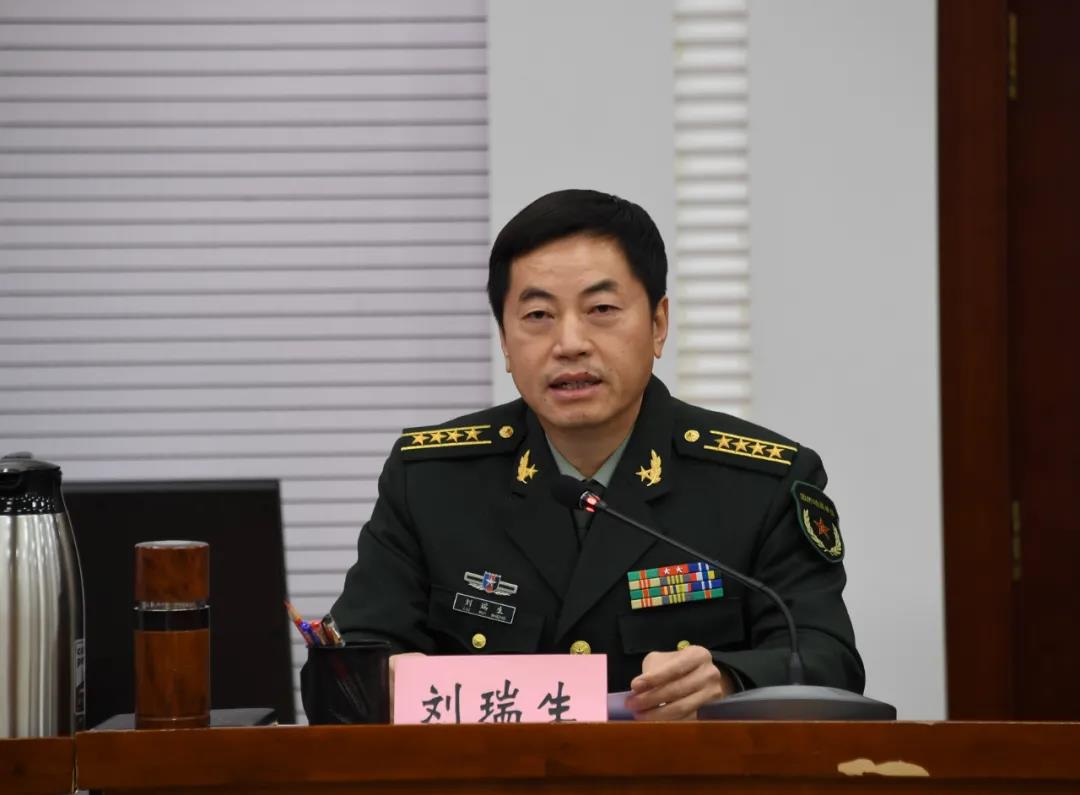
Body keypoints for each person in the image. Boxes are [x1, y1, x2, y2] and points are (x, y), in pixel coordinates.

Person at [318, 189, 864, 720]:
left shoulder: (761, 484)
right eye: (538, 315)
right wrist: (380, 679)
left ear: (658, 324)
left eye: (601, 309)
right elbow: (345, 666)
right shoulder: (431, 481)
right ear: (505, 341)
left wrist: (727, 681)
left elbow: (826, 660)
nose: (570, 343)